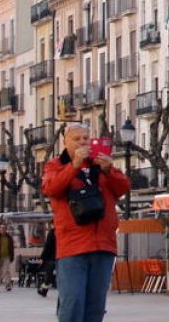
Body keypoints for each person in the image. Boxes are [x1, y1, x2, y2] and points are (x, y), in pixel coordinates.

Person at [43, 124, 130, 322]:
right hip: (73, 246)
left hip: (103, 244)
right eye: (77, 139)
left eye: (85, 138)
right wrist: (73, 166)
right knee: (73, 301)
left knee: (96, 305)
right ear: (65, 142)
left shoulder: (100, 164)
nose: (82, 142)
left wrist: (110, 170)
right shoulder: (55, 165)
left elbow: (123, 187)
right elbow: (51, 188)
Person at [37, 225, 56, 297]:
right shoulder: (59, 232)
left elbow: (47, 246)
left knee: (48, 274)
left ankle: (44, 290)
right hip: (60, 256)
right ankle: (44, 290)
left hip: (51, 258)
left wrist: (42, 257)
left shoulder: (52, 233)